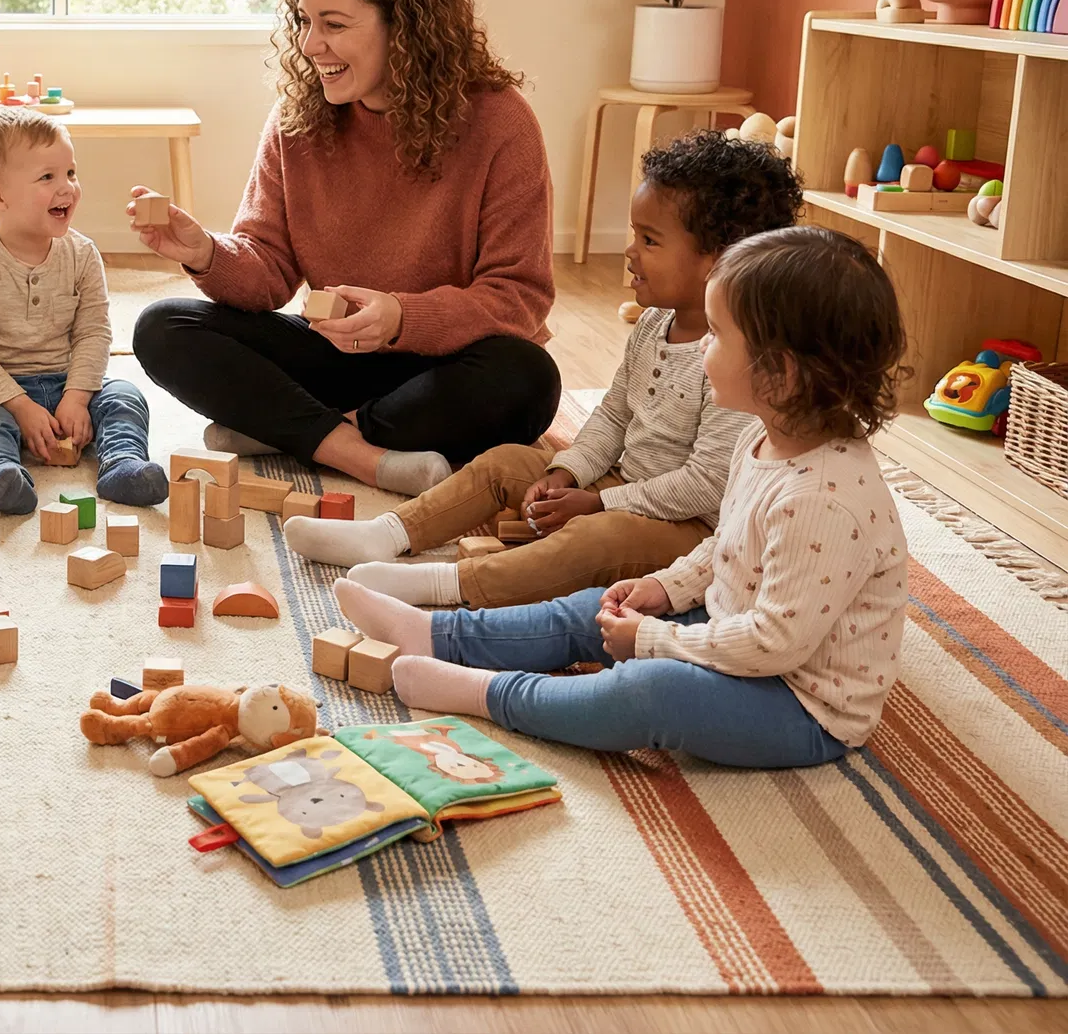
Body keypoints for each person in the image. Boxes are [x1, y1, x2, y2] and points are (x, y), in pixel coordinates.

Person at [332, 227, 909, 770]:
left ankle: (489, 694)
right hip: (734, 628)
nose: (702, 344)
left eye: (718, 334)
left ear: (779, 375)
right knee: (595, 608)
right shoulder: (763, 437)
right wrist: (666, 588)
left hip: (798, 703)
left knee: (649, 690)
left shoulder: (824, 500)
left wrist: (657, 640)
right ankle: (437, 637)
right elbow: (726, 546)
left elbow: (774, 644)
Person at [130, 0, 559, 496]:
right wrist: (205, 252)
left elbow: (519, 298)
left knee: (528, 379)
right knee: (163, 326)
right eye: (305, 22)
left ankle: (293, 430)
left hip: (441, 367)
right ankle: (362, 455)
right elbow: (270, 271)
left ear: (404, 28)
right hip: (333, 357)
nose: (310, 46)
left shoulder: (499, 122)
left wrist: (401, 317)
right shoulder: (298, 119)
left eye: (333, 24)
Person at [293, 130, 803, 609]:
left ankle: (445, 585)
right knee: (505, 462)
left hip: (689, 528)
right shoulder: (653, 324)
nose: (628, 251)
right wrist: (568, 472)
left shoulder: (741, 359)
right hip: (621, 484)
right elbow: (612, 415)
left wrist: (600, 505)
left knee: (596, 538)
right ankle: (386, 534)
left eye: (649, 240)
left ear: (720, 260)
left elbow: (707, 484)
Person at [0, 108, 168, 514]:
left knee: (125, 395)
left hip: (68, 380)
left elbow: (94, 333)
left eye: (70, 173)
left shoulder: (82, 254)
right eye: (48, 177)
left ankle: (122, 465)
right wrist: (20, 406)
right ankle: (0, 473)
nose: (67, 187)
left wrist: (78, 397)